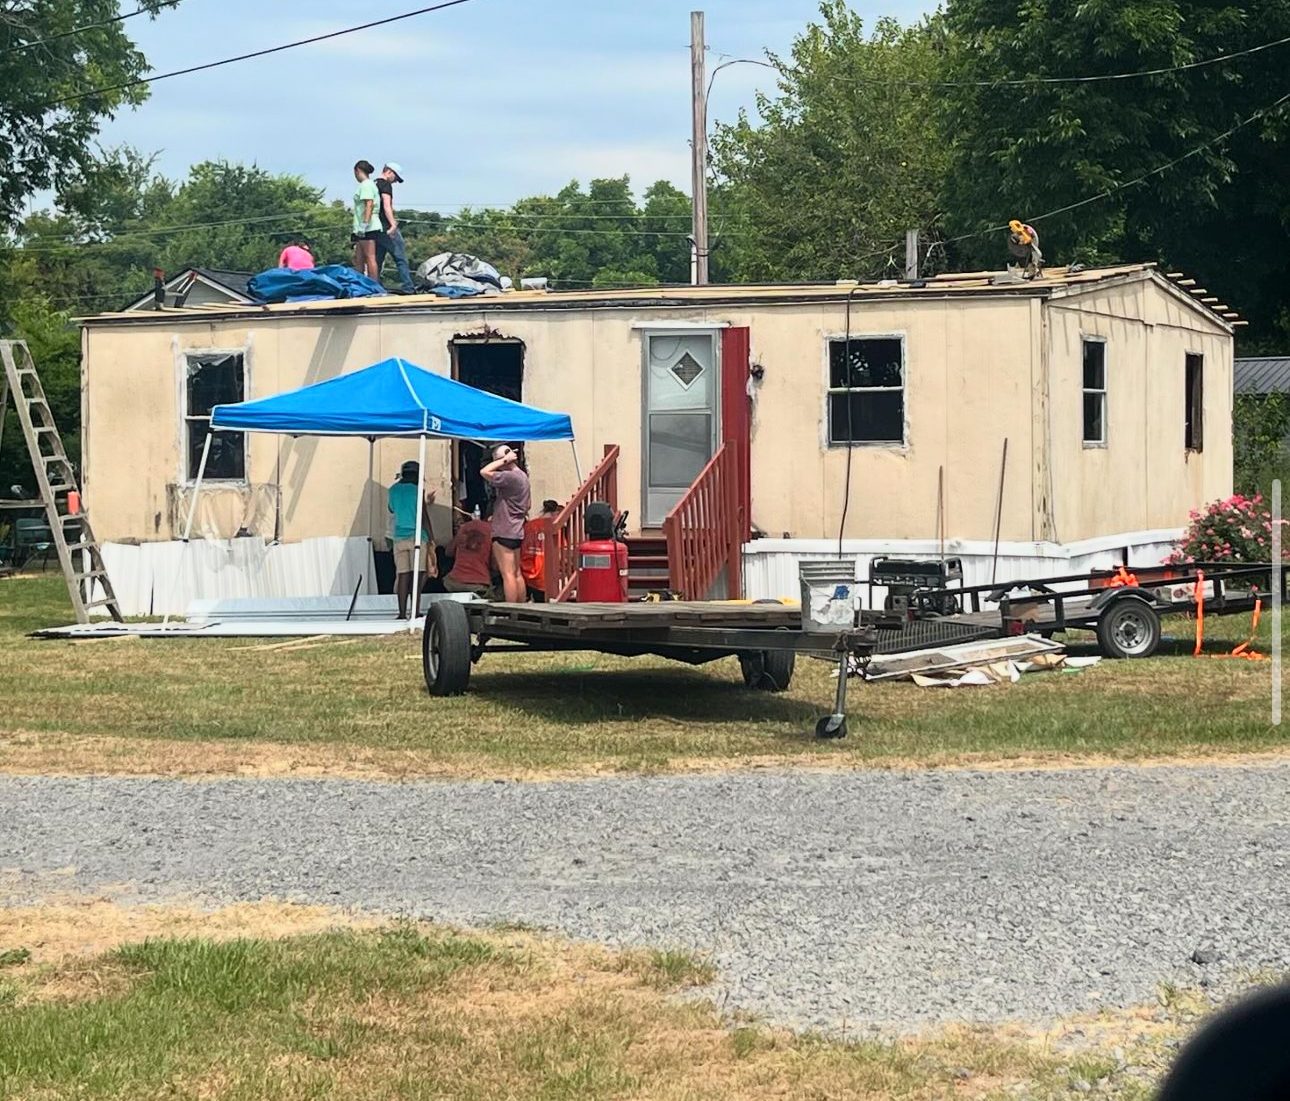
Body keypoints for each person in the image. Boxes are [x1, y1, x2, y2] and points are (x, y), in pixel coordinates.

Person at [480, 443, 530, 603]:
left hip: (504, 529)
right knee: (517, 573)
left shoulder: (510, 477)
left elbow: (484, 472)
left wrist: (502, 461)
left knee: (507, 574)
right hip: (517, 528)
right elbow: (528, 505)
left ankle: (511, 609)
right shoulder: (523, 476)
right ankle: (522, 608)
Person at [387, 459, 436, 619]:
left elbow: (391, 509)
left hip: (399, 537)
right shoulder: (417, 490)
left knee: (402, 575)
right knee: (418, 574)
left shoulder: (392, 490)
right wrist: (431, 536)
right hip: (417, 536)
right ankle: (414, 611)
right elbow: (423, 516)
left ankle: (401, 613)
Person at [374, 162, 415, 295]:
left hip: (375, 227)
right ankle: (408, 287)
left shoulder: (373, 184)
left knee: (377, 259)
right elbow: (386, 205)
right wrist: (393, 224)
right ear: (389, 172)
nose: (395, 182)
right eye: (395, 178)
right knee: (400, 257)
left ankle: (375, 285)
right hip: (386, 226)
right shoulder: (385, 185)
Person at [443, 504, 495, 598]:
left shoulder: (465, 527)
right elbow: (496, 566)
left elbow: (448, 552)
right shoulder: (494, 532)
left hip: (454, 582)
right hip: (479, 584)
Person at [520, 498, 562, 602]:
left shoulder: (528, 526)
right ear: (555, 513)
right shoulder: (556, 528)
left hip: (527, 572)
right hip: (546, 576)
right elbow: (560, 553)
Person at [351, 160, 381, 280]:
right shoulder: (366, 185)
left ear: (357, 171)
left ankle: (374, 285)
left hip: (368, 226)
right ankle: (360, 284)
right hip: (360, 228)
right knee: (359, 259)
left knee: (369, 257)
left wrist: (364, 224)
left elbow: (369, 203)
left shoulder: (366, 185)